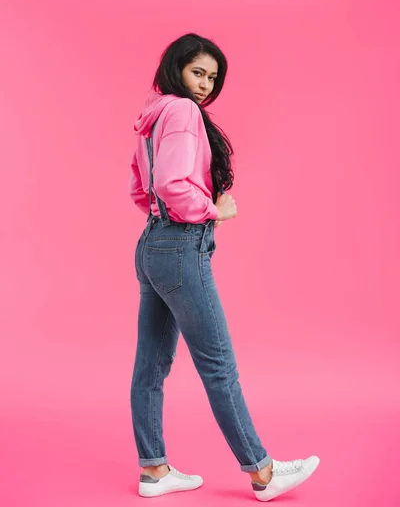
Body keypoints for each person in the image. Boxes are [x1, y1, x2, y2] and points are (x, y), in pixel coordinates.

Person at [129, 33, 319, 501]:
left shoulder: (151, 116)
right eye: (198, 72)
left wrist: (168, 219)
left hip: (152, 245)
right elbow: (172, 183)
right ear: (177, 68)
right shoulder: (182, 112)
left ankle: (153, 470)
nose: (204, 85)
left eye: (212, 78)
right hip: (179, 247)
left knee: (151, 367)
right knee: (219, 367)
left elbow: (141, 188)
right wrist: (215, 211)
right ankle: (263, 472)